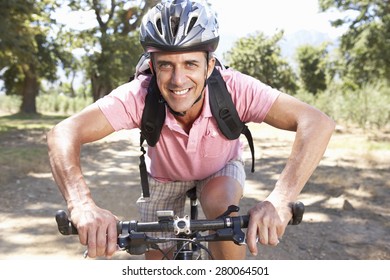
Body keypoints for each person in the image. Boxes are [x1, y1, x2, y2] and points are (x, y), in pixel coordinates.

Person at [47, 0, 335, 260]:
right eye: (166, 65)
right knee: (158, 259)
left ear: (210, 65)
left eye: (190, 63)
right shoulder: (138, 95)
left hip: (219, 170)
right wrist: (82, 204)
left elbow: (317, 122)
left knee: (222, 208)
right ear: (152, 66)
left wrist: (281, 199)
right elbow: (63, 133)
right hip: (163, 177)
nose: (178, 79)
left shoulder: (235, 89)